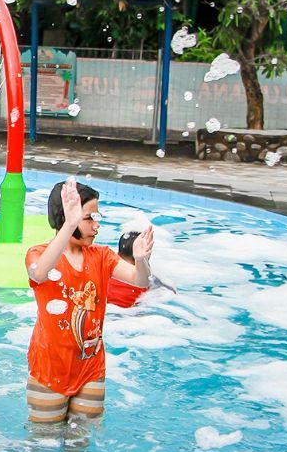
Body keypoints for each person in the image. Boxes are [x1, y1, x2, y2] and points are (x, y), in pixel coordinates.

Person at [24, 179, 154, 423]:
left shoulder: (102, 256)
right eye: (89, 218)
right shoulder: (39, 253)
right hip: (49, 367)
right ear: (66, 218)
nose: (96, 225)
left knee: (80, 441)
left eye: (97, 217)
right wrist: (70, 224)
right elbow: (39, 273)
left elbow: (141, 281)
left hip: (90, 366)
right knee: (44, 442)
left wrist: (141, 260)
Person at [108, 230, 177, 308]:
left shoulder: (103, 272)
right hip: (131, 316)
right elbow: (171, 292)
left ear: (117, 253)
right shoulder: (148, 279)